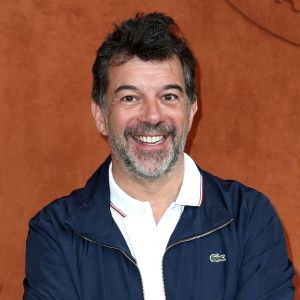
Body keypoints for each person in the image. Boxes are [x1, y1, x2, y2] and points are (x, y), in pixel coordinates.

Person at [23, 12, 294, 300]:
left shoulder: (248, 219)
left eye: (168, 97)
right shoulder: (56, 233)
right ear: (100, 115)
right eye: (130, 97)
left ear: (191, 111)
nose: (152, 115)